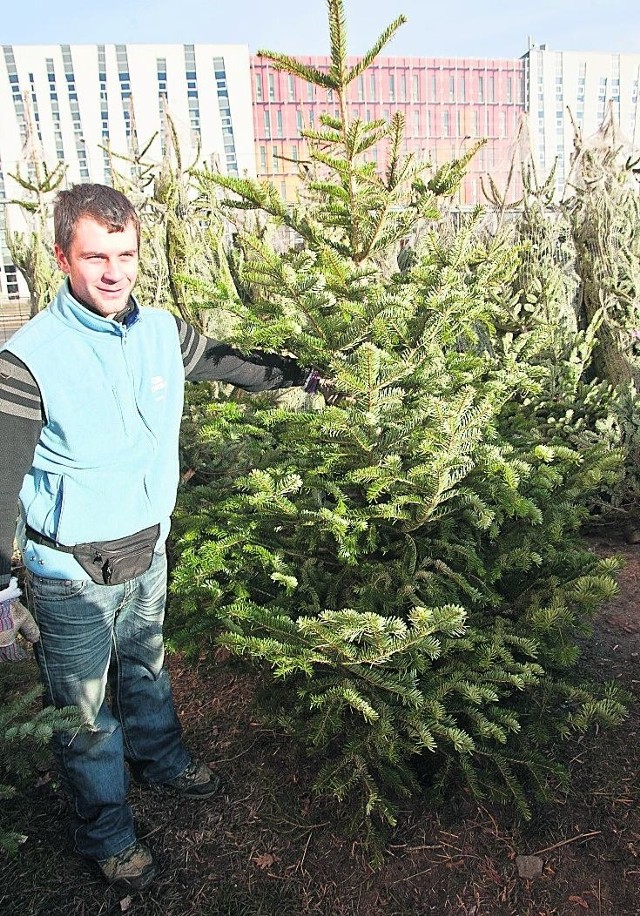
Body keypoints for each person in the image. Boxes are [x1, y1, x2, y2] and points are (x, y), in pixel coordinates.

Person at [0, 183, 319, 891]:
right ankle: (108, 835)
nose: (114, 272)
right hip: (70, 573)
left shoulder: (161, 332)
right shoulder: (29, 359)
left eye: (126, 254)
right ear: (61, 258)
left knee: (146, 665)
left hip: (148, 548)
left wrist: (297, 375)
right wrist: (2, 585)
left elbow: (227, 363)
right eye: (95, 257)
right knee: (86, 715)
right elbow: (2, 478)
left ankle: (163, 760)